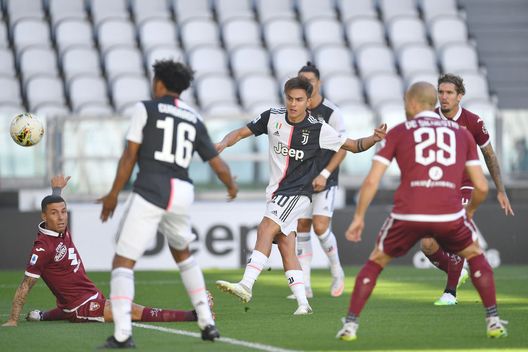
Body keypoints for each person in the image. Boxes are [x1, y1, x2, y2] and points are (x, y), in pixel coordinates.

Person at [336, 82, 507, 342]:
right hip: (448, 213)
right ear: (433, 100)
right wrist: (468, 212)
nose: (405, 107)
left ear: (414, 103)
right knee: (475, 255)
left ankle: (350, 325)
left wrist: (359, 217)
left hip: (408, 213)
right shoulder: (461, 134)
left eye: (406, 102)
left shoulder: (400, 131)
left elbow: (372, 180)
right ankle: (493, 320)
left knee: (376, 261)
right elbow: (481, 186)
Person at [215, 76, 386, 315]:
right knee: (286, 244)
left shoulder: (318, 128)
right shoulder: (272, 116)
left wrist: (373, 139)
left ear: (308, 101)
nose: (293, 104)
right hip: (277, 192)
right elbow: (242, 132)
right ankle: (303, 304)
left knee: (265, 228)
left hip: (297, 193)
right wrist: (223, 143)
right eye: (290, 99)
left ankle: (246, 284)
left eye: (299, 99)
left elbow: (354, 145)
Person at [97, 60, 238, 348]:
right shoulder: (193, 116)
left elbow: (129, 157)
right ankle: (207, 323)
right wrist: (231, 186)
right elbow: (217, 163)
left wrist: (113, 194)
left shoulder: (145, 109)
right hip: (182, 191)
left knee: (123, 260)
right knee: (184, 254)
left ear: (159, 83)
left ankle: (123, 335)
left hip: (152, 187)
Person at [1, 176, 212, 328]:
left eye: (64, 212)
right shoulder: (43, 248)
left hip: (84, 297)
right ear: (44, 217)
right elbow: (25, 285)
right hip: (81, 307)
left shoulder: (60, 229)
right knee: (131, 310)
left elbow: (55, 205)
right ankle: (193, 315)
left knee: (65, 308)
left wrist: (57, 190)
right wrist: (12, 319)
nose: (61, 217)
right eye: (55, 214)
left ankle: (42, 316)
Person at [420, 73, 514, 306]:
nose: (444, 97)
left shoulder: (473, 122)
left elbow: (489, 156)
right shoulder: (428, 120)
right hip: (436, 186)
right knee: (427, 244)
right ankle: (458, 271)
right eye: (441, 92)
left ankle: (450, 292)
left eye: (449, 93)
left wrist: (500, 189)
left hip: (463, 184)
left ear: (460, 96)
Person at [291, 62, 347, 299]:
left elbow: (344, 147)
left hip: (326, 179)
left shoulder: (331, 113)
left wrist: (324, 174)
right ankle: (305, 287)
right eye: (302, 81)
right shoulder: (295, 111)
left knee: (321, 227)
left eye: (310, 81)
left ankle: (337, 271)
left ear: (318, 83)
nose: (306, 85)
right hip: (302, 181)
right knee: (302, 227)